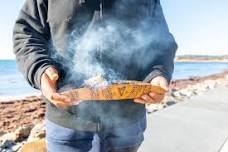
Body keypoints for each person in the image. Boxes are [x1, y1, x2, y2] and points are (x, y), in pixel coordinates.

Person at [13, 0, 177, 151]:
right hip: (68, 127)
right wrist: (40, 70)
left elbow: (160, 41)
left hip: (127, 126)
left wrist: (158, 73)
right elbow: (26, 33)